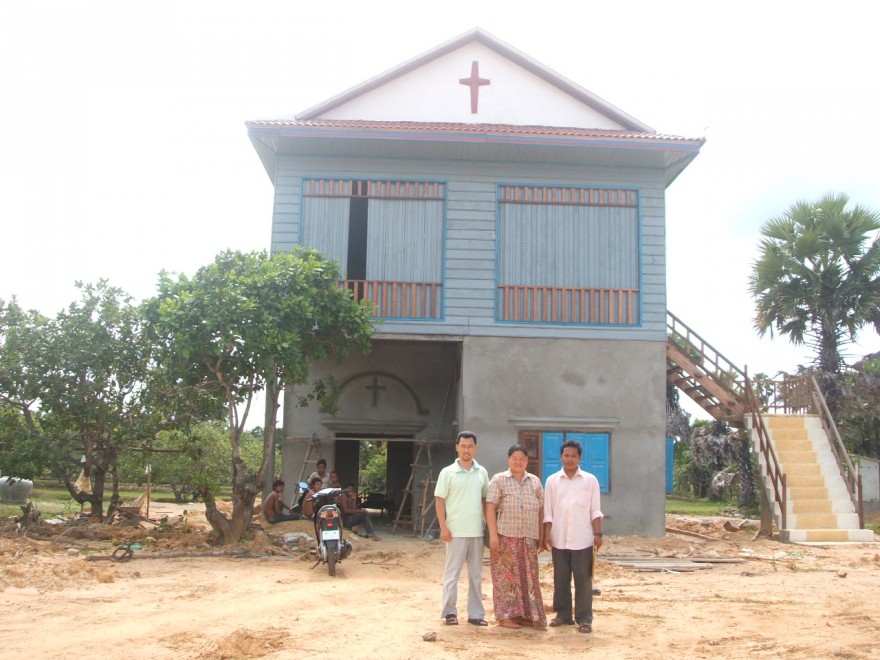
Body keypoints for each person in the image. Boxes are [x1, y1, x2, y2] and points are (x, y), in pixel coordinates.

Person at [543, 439, 604, 634]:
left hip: (583, 539)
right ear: (561, 456)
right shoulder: (552, 481)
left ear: (580, 458)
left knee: (583, 580)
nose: (569, 459)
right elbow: (548, 512)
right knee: (560, 578)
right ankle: (563, 615)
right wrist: (547, 535)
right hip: (559, 538)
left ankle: (584, 619)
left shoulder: (590, 480)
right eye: (566, 455)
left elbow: (595, 510)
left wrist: (598, 533)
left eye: (573, 456)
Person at [486, 444, 547, 629]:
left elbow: (542, 510)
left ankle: (524, 614)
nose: (518, 462)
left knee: (528, 577)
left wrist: (542, 537)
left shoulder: (535, 481)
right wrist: (493, 535)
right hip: (505, 537)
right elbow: (490, 508)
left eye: (522, 459)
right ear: (508, 459)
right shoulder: (499, 480)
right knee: (506, 578)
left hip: (528, 538)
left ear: (527, 461)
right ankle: (505, 616)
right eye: (515, 459)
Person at [434, 431, 490, 627]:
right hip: (454, 532)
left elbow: (485, 501)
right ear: (457, 447)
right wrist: (443, 527)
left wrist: (489, 528)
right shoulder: (447, 472)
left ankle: (476, 614)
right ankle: (449, 612)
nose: (467, 450)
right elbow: (439, 501)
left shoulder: (482, 472)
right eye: (463, 446)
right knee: (452, 575)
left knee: (476, 576)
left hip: (477, 532)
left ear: (476, 448)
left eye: (470, 446)